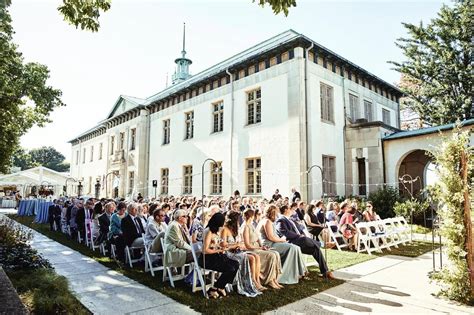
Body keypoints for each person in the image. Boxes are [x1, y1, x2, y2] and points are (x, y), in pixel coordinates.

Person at [276, 205, 335, 279]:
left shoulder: (290, 220)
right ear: (285, 210)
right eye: (290, 209)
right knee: (304, 239)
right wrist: (298, 236)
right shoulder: (281, 220)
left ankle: (325, 272)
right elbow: (285, 233)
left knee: (315, 249)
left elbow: (301, 228)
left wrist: (302, 230)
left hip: (298, 242)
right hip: (290, 243)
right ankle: (323, 244)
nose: (291, 210)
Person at [259, 205, 307, 284]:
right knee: (292, 248)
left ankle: (300, 271)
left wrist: (282, 240)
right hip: (269, 245)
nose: (277, 214)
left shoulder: (270, 221)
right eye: (276, 212)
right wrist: (281, 240)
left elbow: (274, 236)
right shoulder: (267, 221)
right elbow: (270, 237)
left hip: (274, 242)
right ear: (272, 213)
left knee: (296, 247)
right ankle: (284, 275)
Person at [220, 211, 261, 296]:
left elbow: (237, 242)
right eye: (238, 220)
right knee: (251, 258)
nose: (239, 221)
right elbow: (223, 245)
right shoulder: (225, 229)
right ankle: (251, 281)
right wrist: (236, 245)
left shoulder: (234, 229)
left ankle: (256, 281)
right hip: (228, 253)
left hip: (236, 251)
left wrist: (238, 245)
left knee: (255, 256)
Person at [200, 212, 240, 299]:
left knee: (236, 264)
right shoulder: (209, 231)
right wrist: (219, 250)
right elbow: (205, 250)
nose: (224, 223)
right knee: (230, 268)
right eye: (223, 221)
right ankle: (214, 289)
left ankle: (220, 286)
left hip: (216, 256)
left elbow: (215, 245)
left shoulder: (215, 230)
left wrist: (223, 247)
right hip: (207, 259)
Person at [241, 208, 283, 289]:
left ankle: (274, 279)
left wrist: (263, 246)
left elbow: (257, 239)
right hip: (251, 249)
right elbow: (247, 245)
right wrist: (260, 247)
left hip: (257, 247)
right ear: (251, 216)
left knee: (276, 253)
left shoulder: (251, 225)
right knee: (271, 255)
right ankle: (269, 280)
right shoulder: (245, 227)